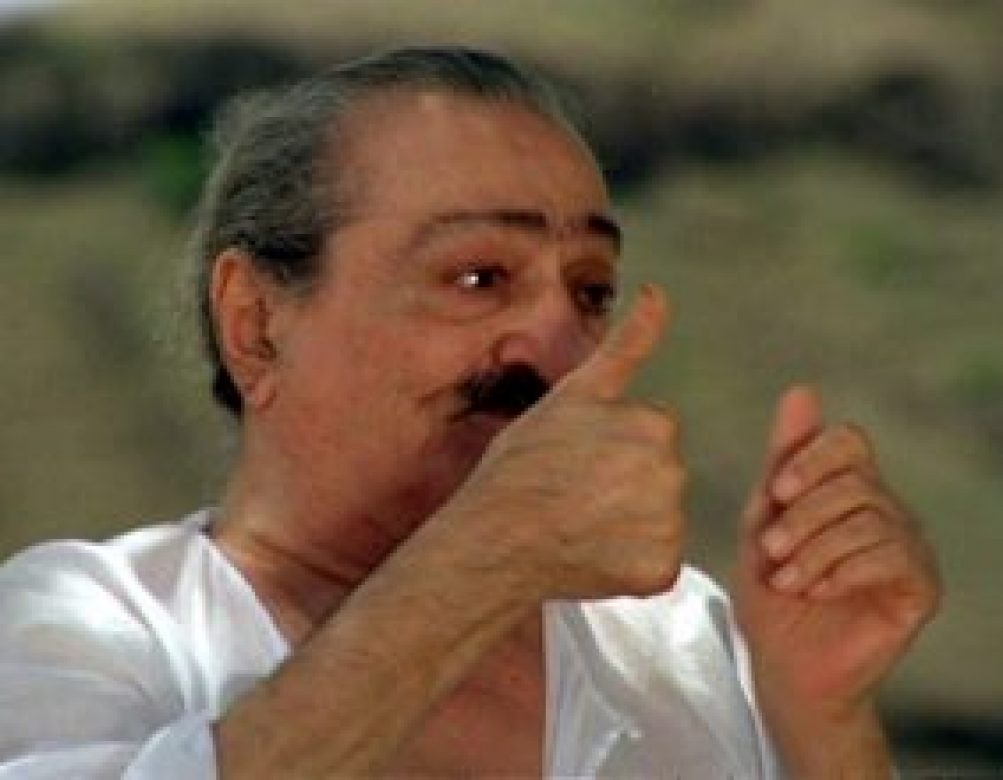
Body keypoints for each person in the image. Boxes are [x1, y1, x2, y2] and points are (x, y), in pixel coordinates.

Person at [0, 46, 940, 778]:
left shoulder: (682, 647)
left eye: (590, 290)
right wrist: (481, 567)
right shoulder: (86, 624)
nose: (558, 346)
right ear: (255, 324)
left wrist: (822, 722)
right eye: (479, 276)